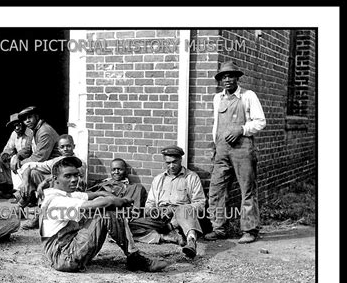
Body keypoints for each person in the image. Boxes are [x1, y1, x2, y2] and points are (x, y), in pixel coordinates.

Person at [39, 156, 169, 273]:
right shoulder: (56, 201)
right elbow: (100, 204)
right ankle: (135, 258)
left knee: (102, 209)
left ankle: (133, 255)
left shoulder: (63, 193)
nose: (74, 180)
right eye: (68, 176)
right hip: (63, 258)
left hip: (68, 251)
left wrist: (107, 195)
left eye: (76, 175)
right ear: (55, 179)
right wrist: (119, 200)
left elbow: (95, 194)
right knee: (105, 213)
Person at [205, 61, 266, 244]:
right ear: (220, 80)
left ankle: (249, 230)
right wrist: (215, 146)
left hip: (243, 150)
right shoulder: (218, 98)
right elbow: (216, 125)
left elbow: (260, 121)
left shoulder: (248, 96)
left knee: (247, 189)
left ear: (237, 78)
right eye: (224, 77)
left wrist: (242, 129)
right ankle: (218, 228)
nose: (228, 80)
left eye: (231, 76)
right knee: (216, 189)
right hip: (222, 151)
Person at [129, 146, 206, 259]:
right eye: (168, 163)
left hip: (181, 216)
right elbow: (149, 204)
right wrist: (155, 212)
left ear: (180, 160)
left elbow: (200, 203)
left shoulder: (191, 177)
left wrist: (176, 210)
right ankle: (167, 237)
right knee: (127, 227)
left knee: (183, 210)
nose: (171, 166)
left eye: (174, 162)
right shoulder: (158, 179)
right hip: (161, 217)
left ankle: (191, 242)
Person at [12, 106, 60, 170]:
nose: (27, 121)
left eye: (29, 117)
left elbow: (39, 157)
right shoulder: (34, 130)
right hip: (45, 163)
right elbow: (27, 149)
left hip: (56, 164)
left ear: (36, 117)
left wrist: (20, 163)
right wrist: (17, 156)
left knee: (29, 171)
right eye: (24, 119)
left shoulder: (44, 131)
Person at [0, 113, 33, 190]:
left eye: (19, 125)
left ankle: (22, 192)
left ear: (24, 124)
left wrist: (17, 157)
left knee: (15, 161)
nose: (17, 128)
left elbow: (28, 151)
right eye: (14, 126)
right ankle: (12, 188)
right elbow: (9, 147)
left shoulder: (30, 133)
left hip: (30, 158)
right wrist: (5, 154)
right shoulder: (14, 134)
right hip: (19, 157)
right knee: (5, 160)